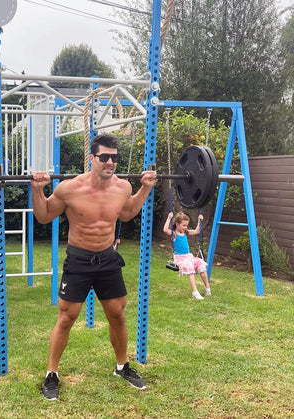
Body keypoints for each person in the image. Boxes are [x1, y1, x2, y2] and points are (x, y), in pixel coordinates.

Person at [30, 133, 157, 401]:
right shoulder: (69, 188)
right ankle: (51, 374)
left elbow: (127, 212)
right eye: (104, 157)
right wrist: (37, 189)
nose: (110, 162)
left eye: (114, 157)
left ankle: (122, 367)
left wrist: (145, 188)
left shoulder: (122, 187)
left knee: (117, 314)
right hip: (79, 260)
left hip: (108, 259)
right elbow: (43, 216)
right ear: (92, 158)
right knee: (67, 317)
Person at [163, 211, 211, 300]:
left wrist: (199, 220)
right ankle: (195, 292)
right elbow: (165, 230)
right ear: (177, 224)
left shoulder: (186, 232)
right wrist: (169, 218)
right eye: (184, 225)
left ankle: (207, 288)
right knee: (190, 268)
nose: (185, 227)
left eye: (186, 225)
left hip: (189, 256)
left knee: (201, 266)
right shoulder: (174, 234)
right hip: (180, 258)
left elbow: (197, 231)